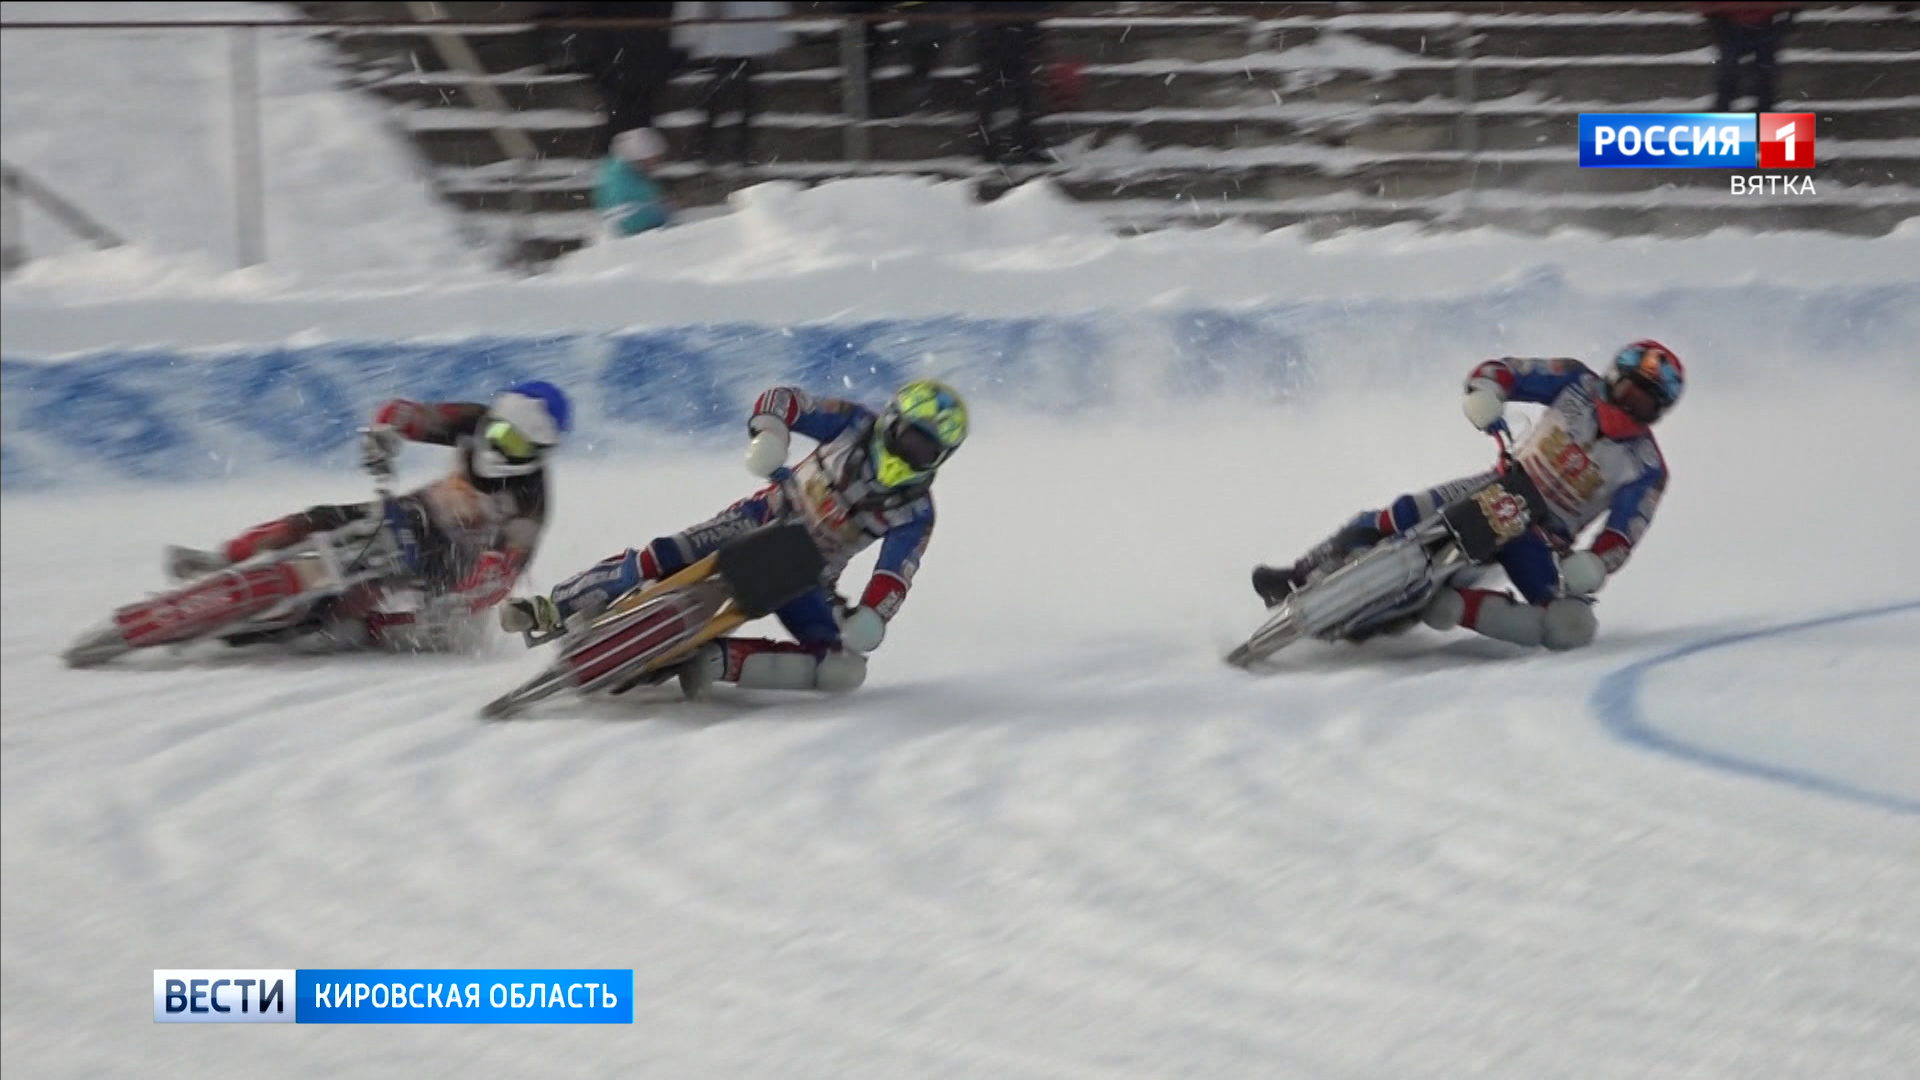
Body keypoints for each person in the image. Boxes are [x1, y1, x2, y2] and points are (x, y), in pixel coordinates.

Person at [502, 379, 969, 694]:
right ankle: (554, 606)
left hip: (811, 578)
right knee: (667, 553)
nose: (911, 455)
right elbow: (785, 401)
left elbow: (896, 574)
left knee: (841, 671)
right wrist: (770, 436)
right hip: (758, 519)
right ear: (891, 422)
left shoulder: (917, 513)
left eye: (926, 450)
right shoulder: (852, 423)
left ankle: (716, 661)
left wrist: (871, 615)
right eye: (910, 438)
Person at [1250, 342, 1683, 651]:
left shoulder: (1647, 469)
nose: (1628, 409)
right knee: (1400, 513)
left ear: (1657, 415)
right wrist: (1487, 393)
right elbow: (1503, 370)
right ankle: (1298, 572)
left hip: (1543, 538)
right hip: (1500, 486)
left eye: (1643, 406)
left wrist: (1593, 563)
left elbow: (1623, 535)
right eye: (1627, 394)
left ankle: (1454, 605)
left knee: (1570, 627)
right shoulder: (1573, 381)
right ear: (1610, 380)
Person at [166, 381, 571, 648]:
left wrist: (462, 600)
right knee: (313, 520)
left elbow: (502, 573)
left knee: (358, 611)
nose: (499, 449)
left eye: (516, 447)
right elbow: (406, 414)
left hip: (450, 568)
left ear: (538, 454)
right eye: (499, 434)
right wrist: (383, 435)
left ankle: (328, 633)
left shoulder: (532, 503)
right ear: (492, 420)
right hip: (413, 513)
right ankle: (222, 559)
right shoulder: (473, 418)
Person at [673, 1, 794, 166]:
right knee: (729, 89)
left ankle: (715, 145)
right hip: (732, 28)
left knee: (737, 89)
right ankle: (714, 145)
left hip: (741, 28)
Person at [1696, 2, 1798, 113]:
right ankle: (1725, 104)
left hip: (1761, 19)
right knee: (1733, 66)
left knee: (1761, 67)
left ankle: (1761, 106)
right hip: (1730, 19)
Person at [595, 127, 674, 238]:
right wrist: (662, 212)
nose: (657, 165)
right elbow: (627, 221)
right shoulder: (620, 182)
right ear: (641, 158)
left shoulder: (635, 175)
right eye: (655, 159)